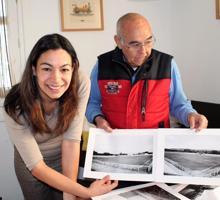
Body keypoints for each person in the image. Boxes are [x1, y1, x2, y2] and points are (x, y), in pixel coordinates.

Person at [3, 33, 118, 200]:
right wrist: (87, 192)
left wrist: (70, 194)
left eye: (64, 69)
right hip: (32, 166)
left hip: (65, 158)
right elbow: (37, 167)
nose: (56, 79)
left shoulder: (80, 83)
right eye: (47, 69)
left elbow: (71, 141)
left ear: (73, 68)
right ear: (34, 69)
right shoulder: (15, 103)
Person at [85, 12, 208, 132]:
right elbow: (92, 103)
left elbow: (179, 104)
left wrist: (191, 115)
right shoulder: (102, 64)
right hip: (115, 140)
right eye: (135, 44)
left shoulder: (167, 64)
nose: (143, 51)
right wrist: (98, 118)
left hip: (157, 142)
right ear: (118, 41)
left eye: (148, 41)